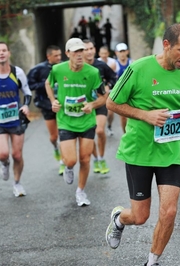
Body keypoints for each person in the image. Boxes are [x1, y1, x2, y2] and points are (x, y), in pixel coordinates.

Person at [105, 22, 180, 266]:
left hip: (171, 150)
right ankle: (118, 219)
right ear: (166, 45)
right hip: (140, 151)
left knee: (169, 212)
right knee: (140, 216)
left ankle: (152, 261)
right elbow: (112, 104)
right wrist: (146, 115)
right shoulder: (138, 68)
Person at [45, 38, 106, 207]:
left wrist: (92, 104)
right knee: (71, 160)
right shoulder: (58, 69)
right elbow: (48, 84)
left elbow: (104, 97)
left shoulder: (93, 72)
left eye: (82, 51)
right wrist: (53, 101)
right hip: (66, 121)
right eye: (76, 52)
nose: (80, 54)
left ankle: (80, 191)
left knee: (85, 159)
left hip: (87, 121)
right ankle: (69, 167)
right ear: (67, 54)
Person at [0, 41, 32, 197]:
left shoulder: (17, 73)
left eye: (4, 50)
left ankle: (17, 183)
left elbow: (27, 92)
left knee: (17, 154)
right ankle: (4, 164)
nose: (1, 53)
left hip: (16, 120)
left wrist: (26, 105)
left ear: (9, 53)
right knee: (3, 154)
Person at [27, 45, 65, 175]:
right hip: (46, 105)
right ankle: (55, 147)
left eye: (60, 55)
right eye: (56, 56)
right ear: (48, 56)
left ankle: (62, 163)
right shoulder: (38, 69)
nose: (59, 58)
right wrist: (45, 84)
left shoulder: (64, 67)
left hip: (62, 106)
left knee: (63, 135)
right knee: (54, 137)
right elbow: (30, 85)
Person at [82, 39, 117, 174]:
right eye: (86, 49)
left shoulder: (101, 65)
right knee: (90, 134)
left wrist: (109, 87)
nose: (89, 51)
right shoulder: (78, 67)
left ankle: (101, 157)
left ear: (94, 49)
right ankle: (96, 159)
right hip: (84, 106)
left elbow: (114, 78)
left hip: (100, 102)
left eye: (91, 48)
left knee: (100, 131)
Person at [107, 42, 133, 135]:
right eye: (120, 51)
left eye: (123, 51)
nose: (122, 53)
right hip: (116, 92)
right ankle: (109, 125)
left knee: (124, 116)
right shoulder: (114, 65)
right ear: (116, 53)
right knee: (110, 114)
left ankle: (125, 134)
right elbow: (107, 77)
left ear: (127, 52)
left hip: (129, 92)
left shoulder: (132, 63)